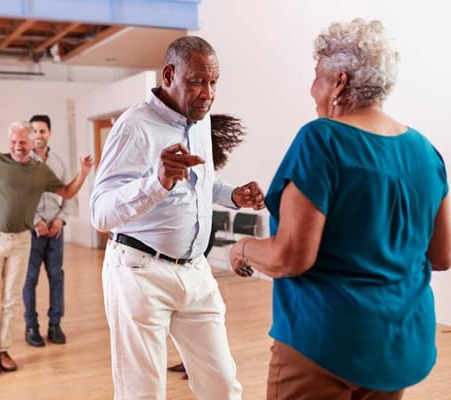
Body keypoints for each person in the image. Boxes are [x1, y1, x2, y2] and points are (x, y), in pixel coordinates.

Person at [229, 19, 450, 400]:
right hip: (396, 344)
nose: (311, 89)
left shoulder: (322, 140)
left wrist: (242, 248)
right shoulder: (426, 152)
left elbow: (289, 257)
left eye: (316, 76)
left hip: (324, 342)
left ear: (339, 81)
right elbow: (443, 255)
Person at [90, 36, 265, 400]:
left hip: (194, 271)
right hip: (140, 273)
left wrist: (230, 195)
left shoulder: (197, 123)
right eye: (198, 81)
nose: (208, 93)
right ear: (169, 74)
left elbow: (199, 182)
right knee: (144, 393)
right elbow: (100, 212)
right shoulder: (133, 126)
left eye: (214, 82)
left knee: (223, 387)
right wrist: (157, 182)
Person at [0, 121, 93, 375]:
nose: (17, 146)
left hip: (21, 240)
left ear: (31, 141)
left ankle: (3, 349)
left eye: (22, 141)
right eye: (13, 141)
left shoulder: (40, 171)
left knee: (12, 298)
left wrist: (83, 172)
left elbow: (67, 192)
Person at [168, 113, 248, 380]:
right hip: (186, 239)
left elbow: (210, 187)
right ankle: (189, 356)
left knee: (195, 302)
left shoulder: (198, 155)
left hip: (199, 237)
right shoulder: (180, 153)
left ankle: (194, 358)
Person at [23, 114, 76, 347]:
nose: (38, 135)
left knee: (56, 276)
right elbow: (19, 198)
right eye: (33, 131)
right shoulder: (22, 163)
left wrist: (61, 220)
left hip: (55, 231)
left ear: (49, 133)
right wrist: (35, 221)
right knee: (30, 278)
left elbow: (69, 195)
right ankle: (31, 327)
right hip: (32, 232)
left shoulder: (58, 162)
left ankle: (55, 325)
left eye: (42, 131)